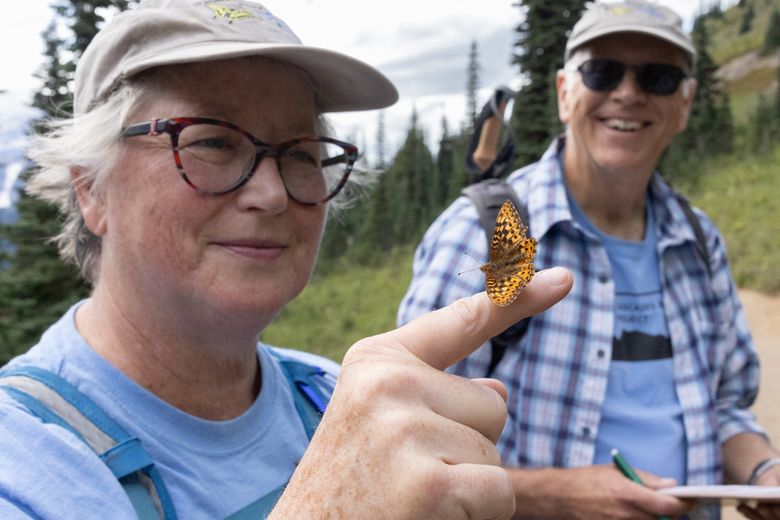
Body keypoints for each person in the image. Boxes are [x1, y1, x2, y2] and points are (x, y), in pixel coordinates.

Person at [0, 0, 575, 518]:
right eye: (213, 142)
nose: (272, 193)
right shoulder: (23, 464)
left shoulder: (335, 395)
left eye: (301, 153)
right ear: (91, 191)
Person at [398, 1, 780, 519]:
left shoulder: (697, 238)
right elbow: (409, 440)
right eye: (601, 71)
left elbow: (726, 409)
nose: (627, 92)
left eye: (659, 78)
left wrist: (764, 473)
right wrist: (560, 496)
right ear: (564, 92)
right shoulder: (497, 232)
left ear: (685, 104)